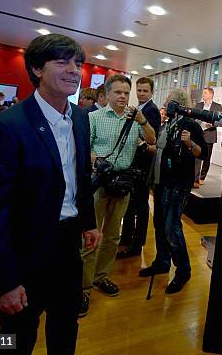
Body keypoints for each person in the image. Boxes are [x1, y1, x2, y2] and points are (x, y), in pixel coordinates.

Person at [0, 33, 100, 355]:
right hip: (24, 250)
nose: (74, 70)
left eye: (78, 63)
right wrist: (3, 283)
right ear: (37, 69)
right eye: (62, 61)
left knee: (66, 326)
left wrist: (88, 221)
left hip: (67, 246)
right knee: (15, 339)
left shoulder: (81, 118)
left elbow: (80, 175)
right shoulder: (6, 126)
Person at [81, 74, 155, 316]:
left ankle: (101, 277)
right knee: (91, 236)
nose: (123, 97)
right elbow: (85, 149)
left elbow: (153, 141)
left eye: (126, 92)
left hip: (123, 183)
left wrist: (143, 121)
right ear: (108, 94)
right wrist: (97, 160)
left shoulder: (135, 120)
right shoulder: (94, 117)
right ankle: (83, 287)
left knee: (112, 235)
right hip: (100, 183)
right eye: (118, 92)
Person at [139, 88, 207, 294]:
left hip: (177, 183)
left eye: (168, 100)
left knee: (171, 227)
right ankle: (162, 262)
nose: (165, 104)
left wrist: (189, 142)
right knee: (160, 223)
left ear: (176, 103)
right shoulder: (168, 124)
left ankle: (183, 270)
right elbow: (161, 150)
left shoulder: (191, 125)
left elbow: (201, 153)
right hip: (161, 182)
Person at [118, 77, 161, 258]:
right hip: (132, 163)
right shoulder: (138, 108)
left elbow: (153, 140)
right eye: (139, 90)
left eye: (145, 91)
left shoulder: (152, 111)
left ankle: (137, 244)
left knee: (141, 206)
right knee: (129, 204)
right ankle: (127, 239)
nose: (141, 93)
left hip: (142, 166)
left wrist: (140, 143)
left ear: (152, 92)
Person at [194, 87, 222, 186]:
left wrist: (213, 124)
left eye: (205, 93)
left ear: (211, 94)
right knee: (197, 157)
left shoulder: (218, 106)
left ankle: (202, 177)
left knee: (206, 158)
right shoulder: (198, 105)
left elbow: (221, 121)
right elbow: (193, 118)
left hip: (209, 134)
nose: (203, 95)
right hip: (198, 134)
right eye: (203, 93)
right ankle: (195, 179)